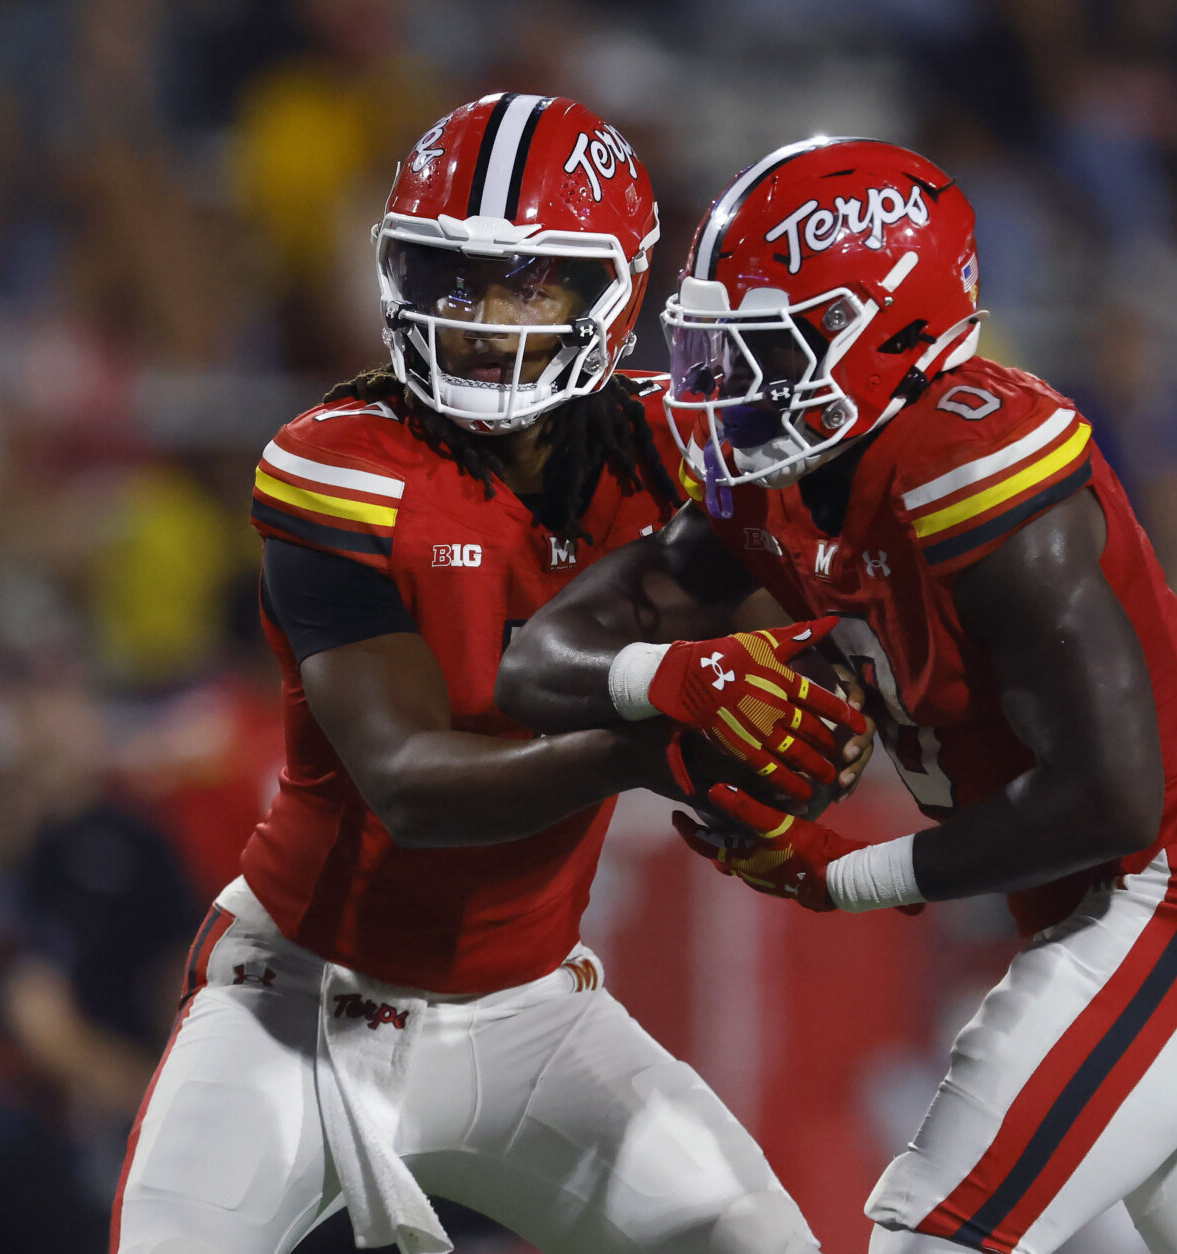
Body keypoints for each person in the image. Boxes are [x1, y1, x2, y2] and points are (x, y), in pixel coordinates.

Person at [498, 137, 1177, 1254]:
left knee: (936, 1234)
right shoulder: (775, 484)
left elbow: (1111, 792)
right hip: (1125, 896)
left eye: (763, 351)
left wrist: (847, 874)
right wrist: (681, 676)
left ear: (886, 333)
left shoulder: (967, 459)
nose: (723, 390)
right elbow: (539, 661)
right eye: (715, 350)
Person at [111, 95, 834, 1254]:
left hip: (533, 1014)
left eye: (529, 284)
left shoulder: (680, 449)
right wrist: (661, 732)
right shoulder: (337, 459)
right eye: (453, 279)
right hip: (300, 1005)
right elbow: (410, 783)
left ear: (614, 292)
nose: (485, 320)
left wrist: (791, 737)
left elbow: (806, 659)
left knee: (755, 1240)